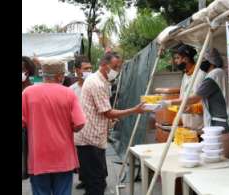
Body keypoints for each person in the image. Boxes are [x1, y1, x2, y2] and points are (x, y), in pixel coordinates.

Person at [77, 52, 147, 195]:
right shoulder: (97, 83)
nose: (118, 71)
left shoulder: (101, 81)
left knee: (97, 180)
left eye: (119, 67)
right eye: (115, 67)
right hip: (90, 140)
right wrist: (134, 110)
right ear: (104, 66)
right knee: (96, 182)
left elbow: (101, 111)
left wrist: (110, 119)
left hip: (93, 138)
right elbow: (107, 112)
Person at [159, 48, 229, 159]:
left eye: (203, 60)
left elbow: (194, 98)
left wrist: (168, 102)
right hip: (219, 127)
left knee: (224, 162)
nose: (200, 63)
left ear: (210, 61)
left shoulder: (214, 75)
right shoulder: (217, 73)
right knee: (222, 162)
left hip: (223, 128)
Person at [22, 59, 86, 195]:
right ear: (59, 76)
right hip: (63, 158)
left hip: (38, 158)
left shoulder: (28, 93)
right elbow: (79, 124)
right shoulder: (69, 93)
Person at [68, 55, 93, 190]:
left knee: (95, 157)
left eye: (90, 68)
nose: (89, 71)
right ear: (77, 70)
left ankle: (98, 182)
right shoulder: (71, 90)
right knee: (81, 157)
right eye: (86, 68)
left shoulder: (96, 85)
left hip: (93, 128)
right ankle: (84, 179)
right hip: (78, 129)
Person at [173, 44, 206, 131]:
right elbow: (182, 98)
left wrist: (192, 108)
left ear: (186, 59)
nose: (175, 61)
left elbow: (206, 102)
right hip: (187, 127)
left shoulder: (201, 75)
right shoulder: (185, 76)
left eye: (177, 58)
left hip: (200, 129)